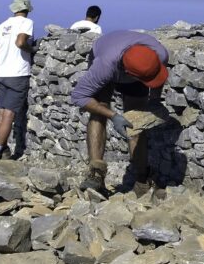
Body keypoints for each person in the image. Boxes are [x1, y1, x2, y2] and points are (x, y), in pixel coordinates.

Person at [70, 31, 170, 198]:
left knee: (136, 120)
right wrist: (112, 115)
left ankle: (142, 180)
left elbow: (158, 77)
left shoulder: (159, 54)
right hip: (108, 56)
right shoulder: (104, 67)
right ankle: (96, 175)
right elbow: (79, 96)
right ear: (129, 74)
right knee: (99, 110)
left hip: (134, 67)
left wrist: (154, 100)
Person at [0, 0, 36, 159]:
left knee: (1, 113)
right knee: (9, 115)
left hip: (1, 72)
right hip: (17, 74)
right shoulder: (26, 23)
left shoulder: (2, 25)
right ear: (26, 9)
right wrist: (31, 50)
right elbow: (20, 42)